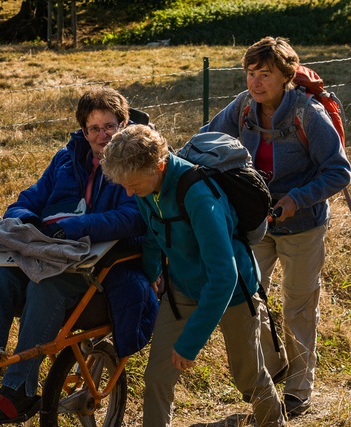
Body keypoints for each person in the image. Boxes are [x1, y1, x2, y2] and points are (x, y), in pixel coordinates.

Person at [0, 87, 158, 424]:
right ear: (83, 131)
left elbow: (134, 218)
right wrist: (27, 221)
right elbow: (28, 198)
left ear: (124, 124)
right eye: (94, 129)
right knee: (2, 277)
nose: (103, 136)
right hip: (52, 253)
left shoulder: (134, 160)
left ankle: (20, 390)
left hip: (104, 272)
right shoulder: (65, 159)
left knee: (47, 286)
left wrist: (75, 227)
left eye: (110, 127)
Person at [201, 36, 351, 417]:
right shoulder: (244, 107)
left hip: (303, 226)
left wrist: (296, 198)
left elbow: (339, 170)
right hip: (256, 224)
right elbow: (205, 140)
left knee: (298, 307)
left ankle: (299, 390)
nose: (255, 81)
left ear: (285, 76)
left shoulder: (308, 114)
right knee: (250, 301)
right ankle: (271, 374)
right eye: (251, 73)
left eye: (265, 74)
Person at [101, 124, 287, 426]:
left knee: (249, 378)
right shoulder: (143, 183)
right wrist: (151, 272)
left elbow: (224, 276)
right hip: (183, 289)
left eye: (133, 185)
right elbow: (152, 233)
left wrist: (190, 343)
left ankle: (274, 423)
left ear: (158, 166)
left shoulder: (199, 196)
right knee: (157, 378)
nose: (128, 192)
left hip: (234, 293)